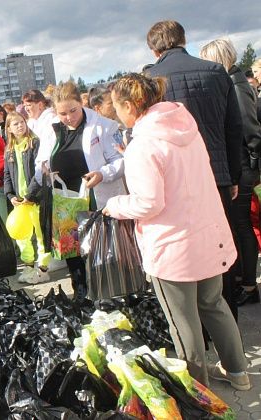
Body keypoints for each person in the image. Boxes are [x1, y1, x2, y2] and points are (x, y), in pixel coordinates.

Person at [104, 73, 250, 390]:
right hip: (208, 233)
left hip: (173, 245)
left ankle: (197, 391)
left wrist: (115, 204)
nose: (116, 115)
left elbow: (148, 203)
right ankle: (238, 373)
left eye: (117, 108)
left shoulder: (143, 145)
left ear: (129, 106)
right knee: (213, 304)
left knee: (183, 320)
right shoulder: (184, 127)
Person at [145, 20, 243, 318]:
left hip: (175, 180)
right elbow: (234, 127)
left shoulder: (151, 78)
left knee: (184, 253)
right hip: (217, 174)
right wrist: (234, 174)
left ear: (153, 48)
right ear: (183, 40)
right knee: (220, 247)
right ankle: (227, 319)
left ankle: (195, 327)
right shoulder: (216, 72)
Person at [43, 81, 126, 300]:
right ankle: (80, 296)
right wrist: (43, 167)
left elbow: (120, 161)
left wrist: (102, 174)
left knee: (98, 252)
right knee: (73, 253)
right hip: (66, 201)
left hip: (94, 198)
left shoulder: (104, 126)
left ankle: (106, 296)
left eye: (73, 110)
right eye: (63, 113)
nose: (69, 117)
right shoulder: (52, 129)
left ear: (82, 103)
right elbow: (42, 159)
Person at [200, 39, 261, 306]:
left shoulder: (236, 86)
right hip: (243, 165)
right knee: (240, 225)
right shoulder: (233, 83)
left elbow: (250, 130)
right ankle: (242, 281)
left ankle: (248, 284)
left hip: (244, 167)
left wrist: (252, 166)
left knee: (242, 226)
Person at [3, 112, 50, 284]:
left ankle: (43, 268)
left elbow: (39, 172)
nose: (20, 126)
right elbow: (7, 174)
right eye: (15, 124)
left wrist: (30, 195)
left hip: (35, 198)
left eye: (22, 122)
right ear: (8, 128)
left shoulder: (34, 143)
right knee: (22, 235)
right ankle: (29, 265)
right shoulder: (9, 149)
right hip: (20, 201)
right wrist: (10, 195)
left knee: (40, 234)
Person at [22, 90, 59, 179]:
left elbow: (48, 148)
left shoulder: (51, 120)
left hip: (47, 171)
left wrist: (40, 176)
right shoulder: (31, 122)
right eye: (24, 106)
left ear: (40, 105)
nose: (26, 109)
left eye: (29, 105)